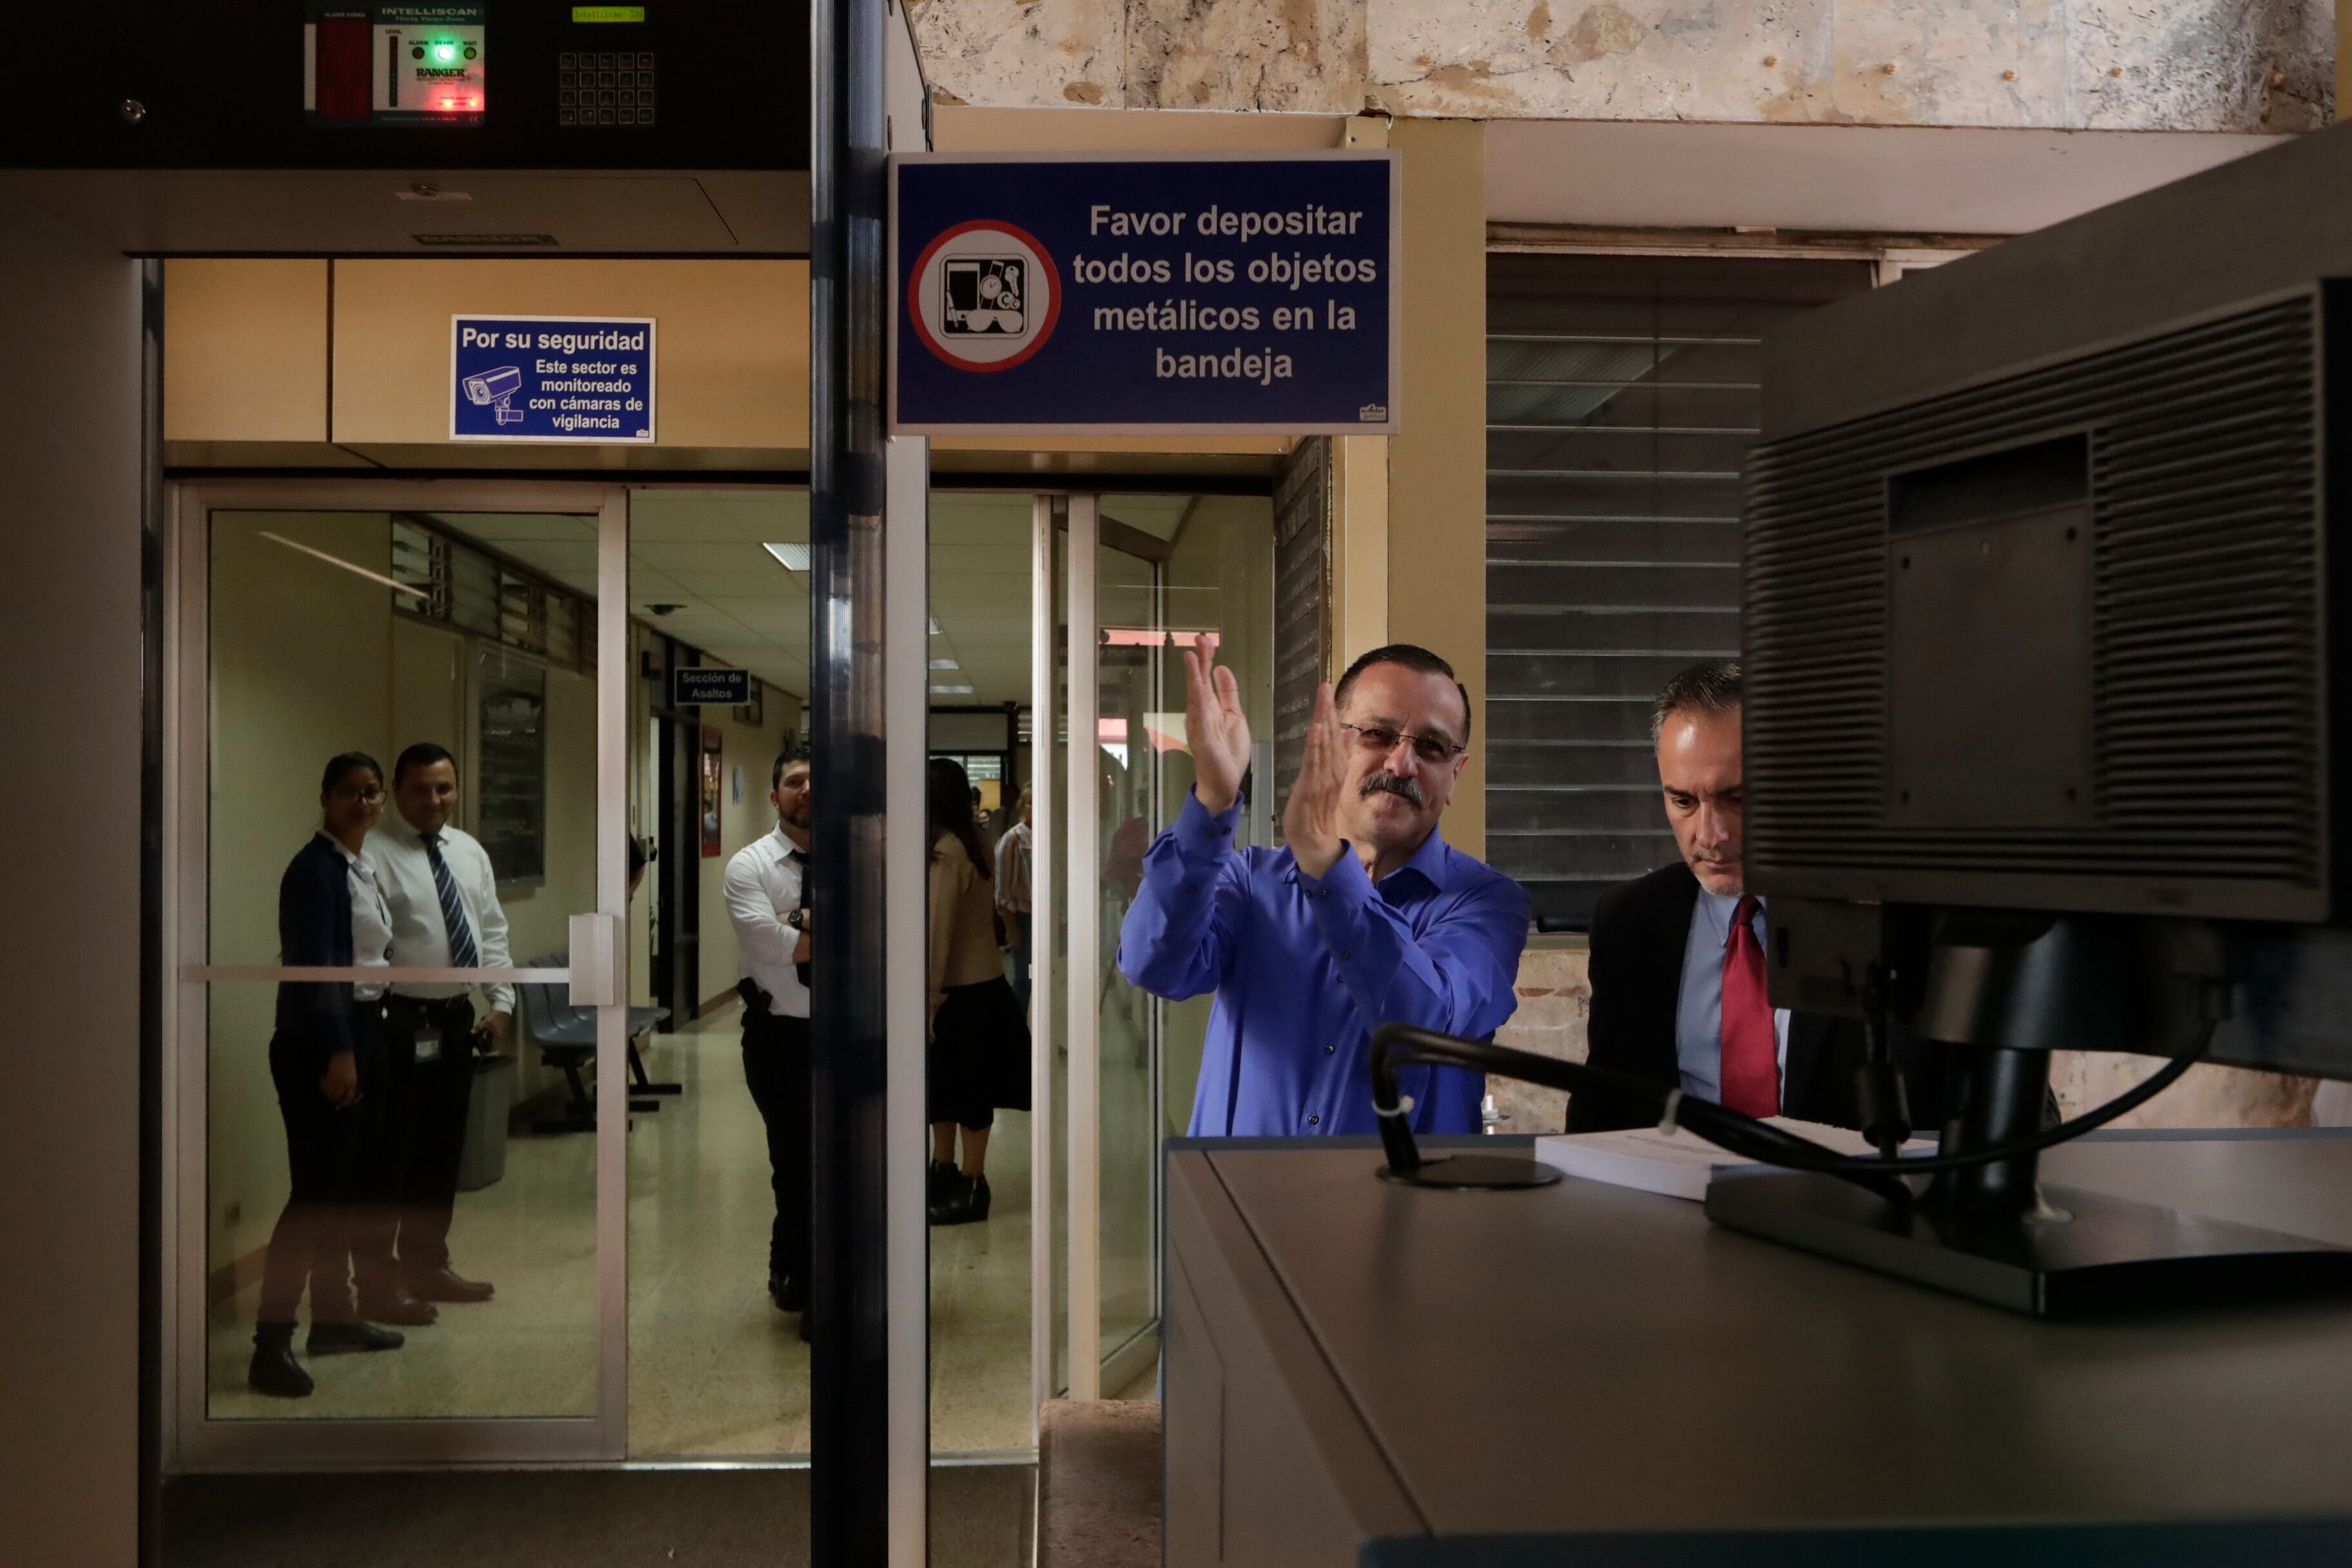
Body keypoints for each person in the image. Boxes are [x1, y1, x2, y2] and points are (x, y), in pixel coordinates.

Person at [1119, 638, 1531, 1136]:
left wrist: (1325, 863)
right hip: (1242, 1204)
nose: (1402, 764)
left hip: (1407, 1209)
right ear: (1332, 744)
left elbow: (1421, 1025)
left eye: (1432, 746)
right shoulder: (1251, 883)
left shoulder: (1487, 904)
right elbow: (1153, 963)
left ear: (1455, 775)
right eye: (1378, 734)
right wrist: (1213, 800)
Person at [1571, 659, 1949, 1133]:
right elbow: (1598, 1119)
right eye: (1684, 802)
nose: (1709, 835)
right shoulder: (1629, 922)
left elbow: (2002, 1120)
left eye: (1739, 799)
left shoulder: (1886, 918)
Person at [249, 752, 407, 1398]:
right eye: (350, 793)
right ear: (325, 796)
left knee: (345, 1189)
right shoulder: (314, 870)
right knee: (313, 1198)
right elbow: (315, 969)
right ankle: (271, 1343)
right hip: (321, 1042)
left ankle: (335, 1318)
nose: (364, 803)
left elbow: (370, 955)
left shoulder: (359, 863)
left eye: (373, 793)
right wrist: (341, 1050)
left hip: (363, 1031)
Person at [359, 741, 511, 1321]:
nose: (433, 799)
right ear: (398, 792)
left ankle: (428, 1265)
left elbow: (492, 931)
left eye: (444, 788)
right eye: (421, 789)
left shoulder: (468, 852)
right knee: (390, 1156)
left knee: (440, 1153)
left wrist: (501, 1003)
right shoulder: (372, 853)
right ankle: (378, 1284)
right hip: (395, 1021)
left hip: (453, 1018)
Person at [722, 746, 815, 1335]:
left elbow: (880, 935)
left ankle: (822, 1275)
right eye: (796, 781)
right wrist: (807, 930)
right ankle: (800, 1277)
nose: (808, 791)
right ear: (775, 794)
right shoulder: (748, 866)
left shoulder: (861, 856)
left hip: (853, 1036)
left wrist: (800, 923)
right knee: (796, 1160)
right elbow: (772, 946)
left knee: (851, 1164)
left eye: (818, 782)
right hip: (780, 1039)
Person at [927, 756, 1031, 1225]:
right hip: (983, 986)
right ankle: (945, 1169)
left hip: (957, 992)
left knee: (963, 1090)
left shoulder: (947, 851)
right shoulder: (977, 842)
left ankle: (971, 1183)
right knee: (951, 1087)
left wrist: (927, 1000)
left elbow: (937, 931)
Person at [994, 786, 1034, 1010]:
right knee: (1023, 980)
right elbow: (1002, 890)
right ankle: (1016, 1037)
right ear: (1023, 806)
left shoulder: (1051, 833)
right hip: (1023, 918)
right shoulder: (1012, 839)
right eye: (1030, 803)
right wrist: (1010, 926)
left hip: (1045, 917)